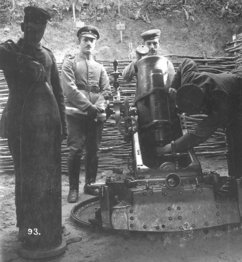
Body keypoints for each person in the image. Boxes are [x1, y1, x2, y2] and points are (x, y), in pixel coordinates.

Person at [0, 6, 67, 229]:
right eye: (30, 30)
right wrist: (25, 63)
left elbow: (58, 93)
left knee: (45, 174)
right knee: (23, 173)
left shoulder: (48, 56)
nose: (34, 35)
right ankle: (26, 226)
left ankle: (45, 224)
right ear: (22, 27)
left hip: (45, 127)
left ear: (43, 31)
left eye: (39, 31)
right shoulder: (10, 51)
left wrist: (63, 126)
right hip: (18, 124)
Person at [157, 58, 242, 196]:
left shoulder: (221, 105)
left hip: (237, 99)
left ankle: (234, 182)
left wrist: (171, 147)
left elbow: (199, 133)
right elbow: (186, 62)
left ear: (202, 107)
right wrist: (174, 86)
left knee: (234, 140)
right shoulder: (190, 80)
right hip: (226, 85)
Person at [61, 25, 111, 203]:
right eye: (85, 40)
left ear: (95, 43)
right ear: (79, 42)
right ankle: (73, 188)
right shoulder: (70, 63)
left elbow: (106, 91)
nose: (88, 43)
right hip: (75, 114)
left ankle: (90, 184)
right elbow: (69, 89)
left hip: (95, 115)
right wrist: (88, 106)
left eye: (92, 40)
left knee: (93, 151)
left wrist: (96, 107)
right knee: (75, 150)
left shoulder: (100, 67)